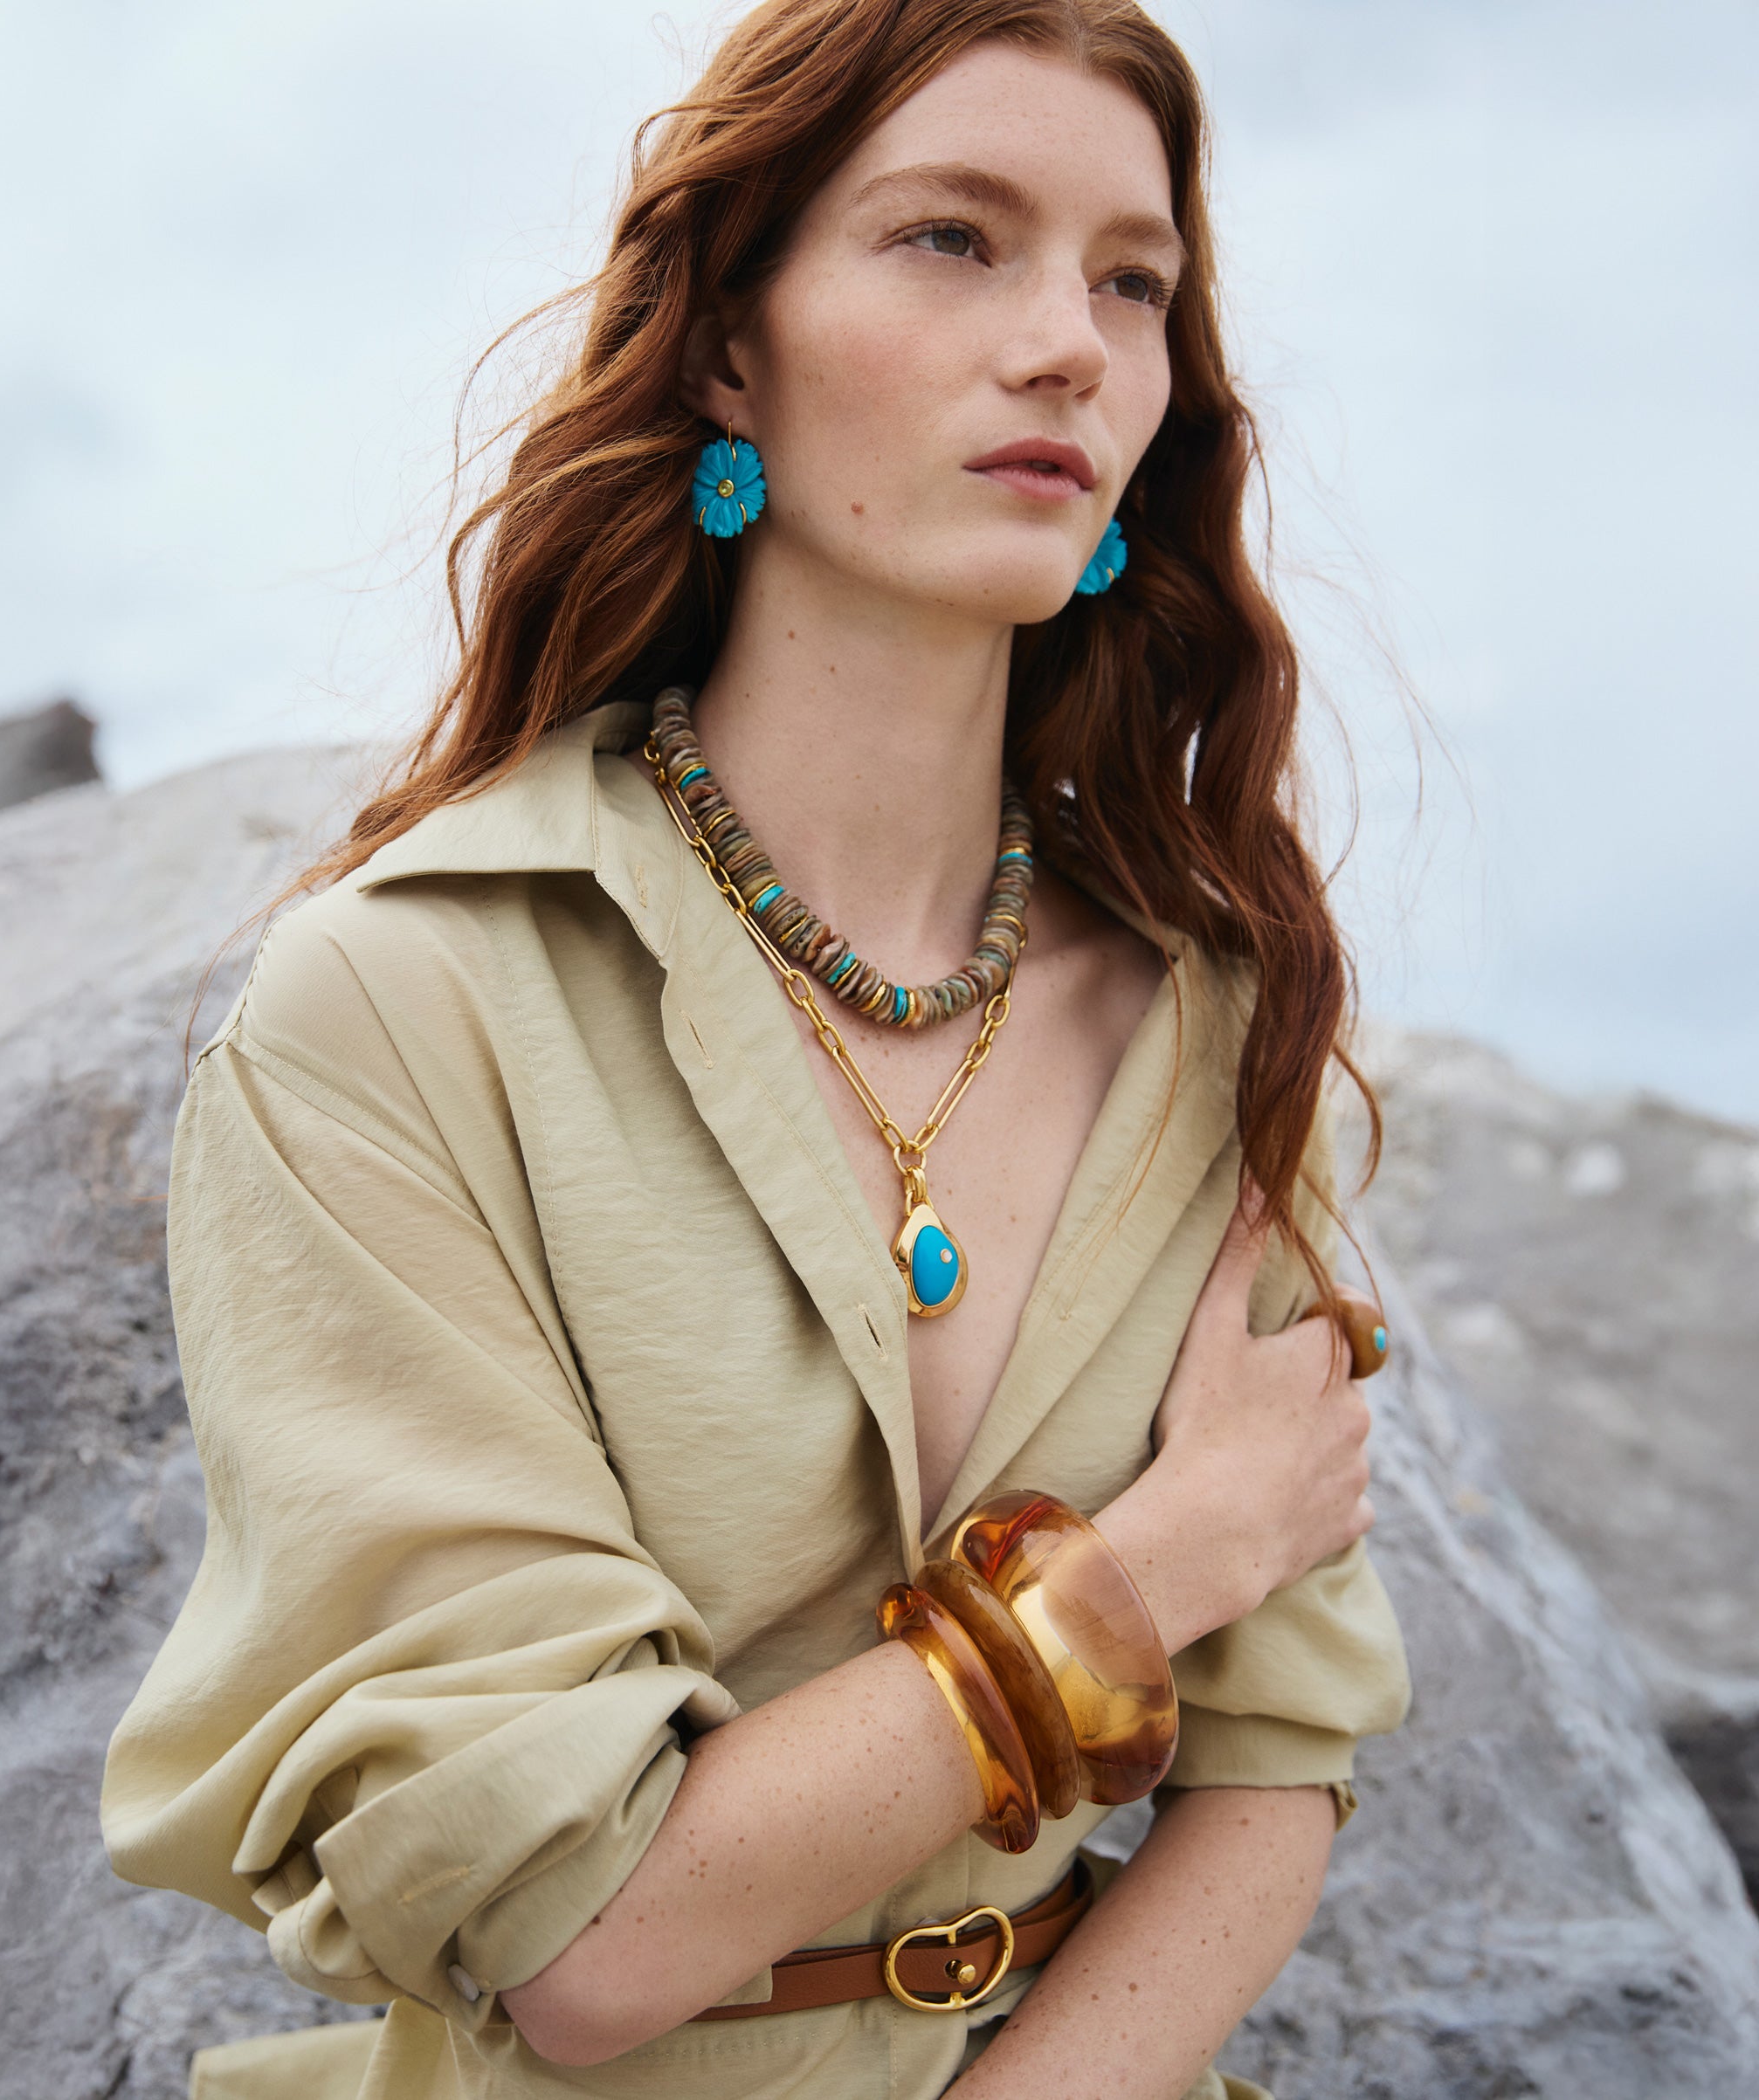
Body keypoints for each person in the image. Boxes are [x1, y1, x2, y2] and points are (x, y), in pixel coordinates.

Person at [102, 3, 1412, 2096]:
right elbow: (580, 1939)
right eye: (950, 239)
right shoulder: (404, 1006)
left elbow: (1279, 1767)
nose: (1069, 340)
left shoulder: (1212, 1016)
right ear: (728, 348)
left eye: (1132, 278)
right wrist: (1167, 1558)